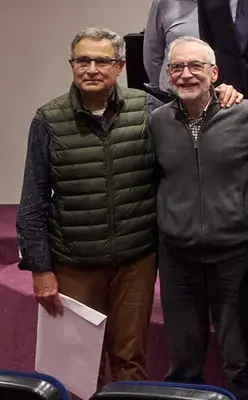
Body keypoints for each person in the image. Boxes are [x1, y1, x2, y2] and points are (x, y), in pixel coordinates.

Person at [17, 28, 159, 389]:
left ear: (120, 66)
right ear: (72, 65)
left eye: (102, 60)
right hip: (74, 263)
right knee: (77, 371)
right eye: (83, 60)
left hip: (135, 262)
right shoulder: (48, 119)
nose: (92, 68)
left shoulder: (146, 109)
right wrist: (40, 269)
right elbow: (32, 201)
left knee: (131, 361)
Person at [151, 36, 248, 400]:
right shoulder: (156, 122)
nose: (186, 75)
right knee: (183, 363)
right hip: (178, 259)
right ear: (168, 75)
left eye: (195, 67)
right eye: (177, 67)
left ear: (214, 73)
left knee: (240, 362)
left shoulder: (246, 115)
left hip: (233, 257)